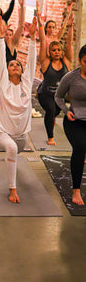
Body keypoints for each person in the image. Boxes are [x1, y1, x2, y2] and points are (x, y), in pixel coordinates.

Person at [0, 17, 37, 204]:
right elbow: (0, 61)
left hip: (21, 136)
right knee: (10, 148)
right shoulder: (3, 84)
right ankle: (12, 190)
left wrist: (33, 39)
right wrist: (2, 39)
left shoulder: (26, 83)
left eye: (18, 64)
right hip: (1, 132)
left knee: (15, 149)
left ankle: (11, 157)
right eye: (12, 65)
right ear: (7, 71)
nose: (15, 65)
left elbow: (32, 62)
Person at [55, 44, 86, 206]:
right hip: (74, 121)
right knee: (80, 148)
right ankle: (76, 190)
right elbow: (58, 97)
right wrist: (66, 111)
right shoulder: (71, 77)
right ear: (80, 61)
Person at [37, 8, 73, 145]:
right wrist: (40, 24)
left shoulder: (66, 62)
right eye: (53, 50)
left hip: (59, 96)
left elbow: (69, 43)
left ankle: (52, 119)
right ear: (49, 52)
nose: (56, 52)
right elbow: (41, 43)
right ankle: (50, 138)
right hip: (45, 94)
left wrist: (70, 26)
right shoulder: (46, 62)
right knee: (51, 110)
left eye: (58, 50)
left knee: (55, 111)